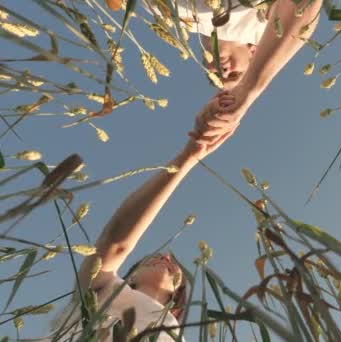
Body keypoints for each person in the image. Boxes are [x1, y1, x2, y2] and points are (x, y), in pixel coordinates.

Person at [47, 93, 237, 341]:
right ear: (129, 277)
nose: (166, 256)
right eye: (147, 260)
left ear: (175, 303)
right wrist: (187, 158)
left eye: (175, 273)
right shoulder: (102, 291)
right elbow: (116, 242)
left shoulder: (171, 331)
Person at [145, 0, 323, 143]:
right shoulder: (260, 25)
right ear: (254, 53)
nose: (223, 72)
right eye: (234, 74)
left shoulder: (168, 15)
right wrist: (249, 88)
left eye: (214, 76)